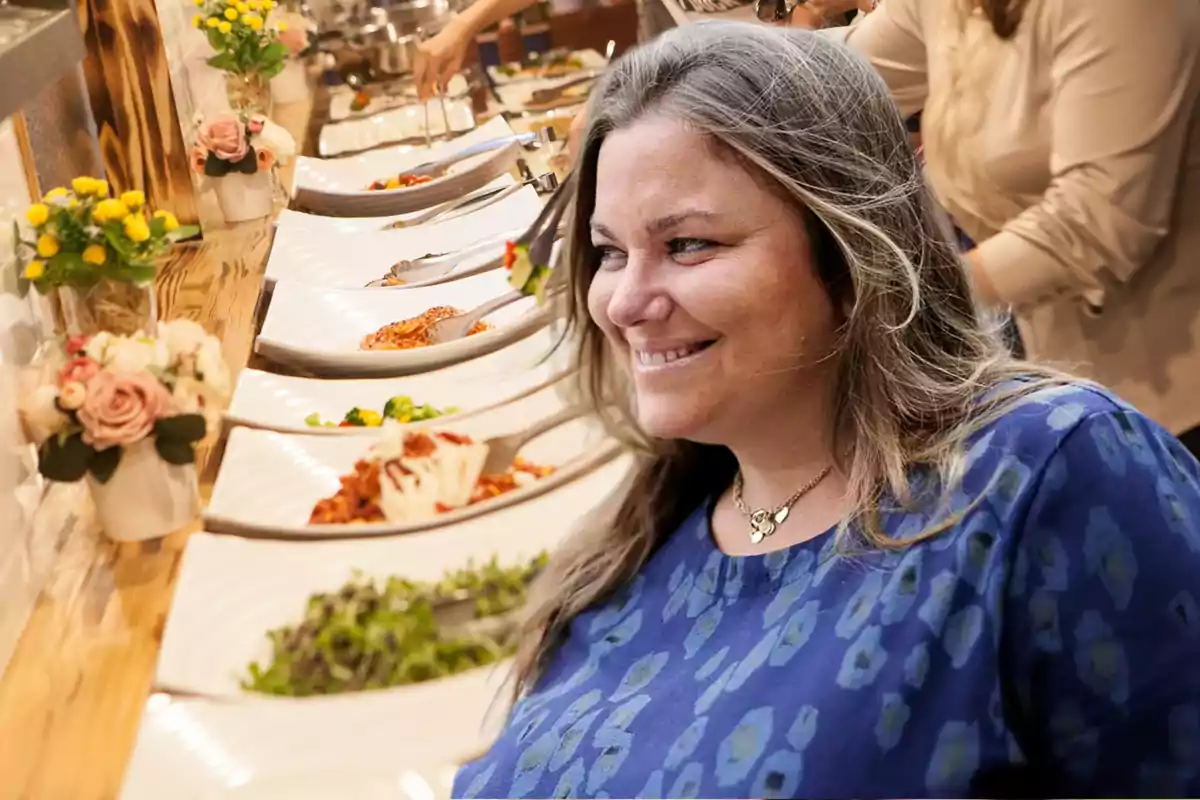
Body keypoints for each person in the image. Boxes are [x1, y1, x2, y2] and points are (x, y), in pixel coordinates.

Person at [452, 22, 1200, 799]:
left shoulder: (1043, 479)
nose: (627, 302)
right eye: (609, 253)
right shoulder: (630, 547)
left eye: (689, 245)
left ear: (851, 257)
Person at [787, 0, 1200, 456]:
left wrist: (910, 303)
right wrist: (718, 65)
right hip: (1062, 374)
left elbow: (1097, 223)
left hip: (1174, 393)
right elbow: (836, 79)